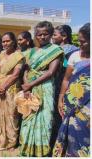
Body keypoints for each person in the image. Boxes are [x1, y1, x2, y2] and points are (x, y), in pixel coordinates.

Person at [19, 21, 64, 157]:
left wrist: (30, 85)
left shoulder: (55, 51)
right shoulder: (32, 51)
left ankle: (41, 152)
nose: (42, 37)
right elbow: (26, 70)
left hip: (45, 88)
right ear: (35, 36)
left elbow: (50, 72)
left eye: (46, 34)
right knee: (28, 117)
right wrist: (26, 86)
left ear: (50, 35)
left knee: (44, 118)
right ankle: (27, 150)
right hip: (30, 88)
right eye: (39, 34)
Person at [53, 23, 90, 157]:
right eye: (79, 41)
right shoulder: (75, 56)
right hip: (72, 105)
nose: (80, 45)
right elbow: (66, 79)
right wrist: (61, 97)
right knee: (71, 133)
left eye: (83, 42)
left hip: (88, 107)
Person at [0, 32, 24, 150]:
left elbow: (16, 75)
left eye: (8, 41)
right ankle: (0, 136)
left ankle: (11, 141)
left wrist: (3, 87)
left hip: (11, 89)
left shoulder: (19, 56)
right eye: (3, 41)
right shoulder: (1, 54)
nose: (5, 43)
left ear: (13, 41)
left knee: (11, 115)